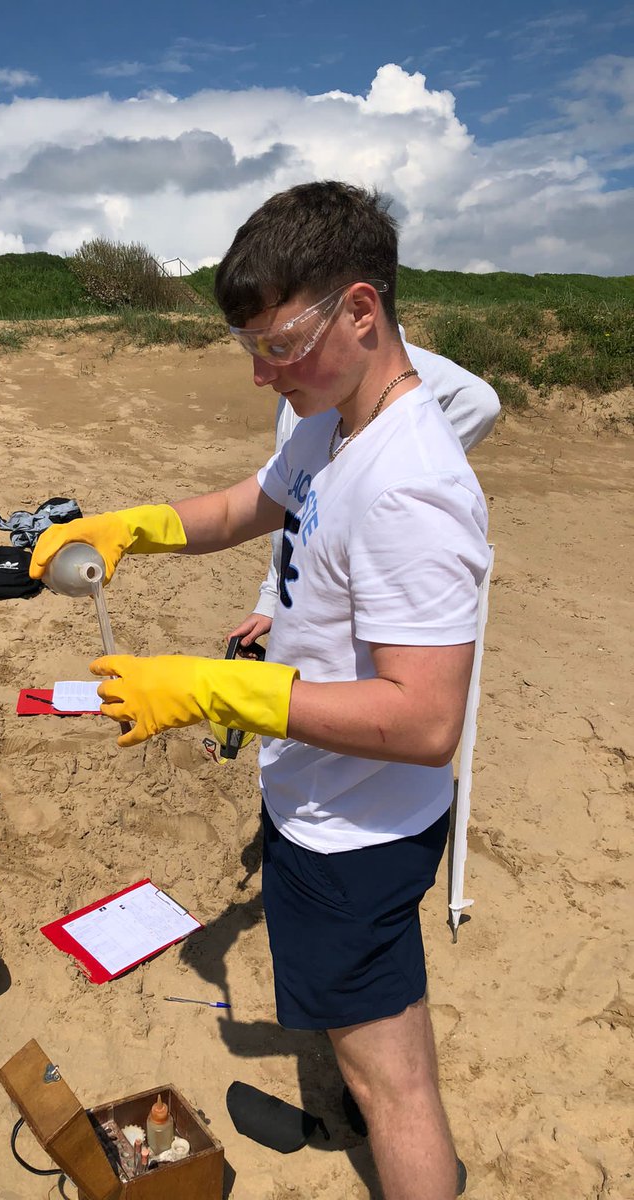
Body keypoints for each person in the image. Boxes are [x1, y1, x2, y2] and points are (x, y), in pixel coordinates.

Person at [29, 180, 490, 1200]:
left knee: (395, 1084)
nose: (259, 374)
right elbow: (255, 501)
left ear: (362, 312)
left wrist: (212, 691)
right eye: (249, 347)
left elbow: (425, 720)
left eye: (279, 345)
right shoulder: (330, 419)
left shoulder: (411, 485)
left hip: (357, 832)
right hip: (315, 796)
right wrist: (134, 525)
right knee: (365, 1046)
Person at [233, 345, 499, 645]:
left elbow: (480, 402)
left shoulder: (414, 497)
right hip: (299, 608)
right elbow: (294, 512)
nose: (262, 375)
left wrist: (388, 470)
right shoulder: (308, 409)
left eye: (282, 344)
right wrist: (271, 597)